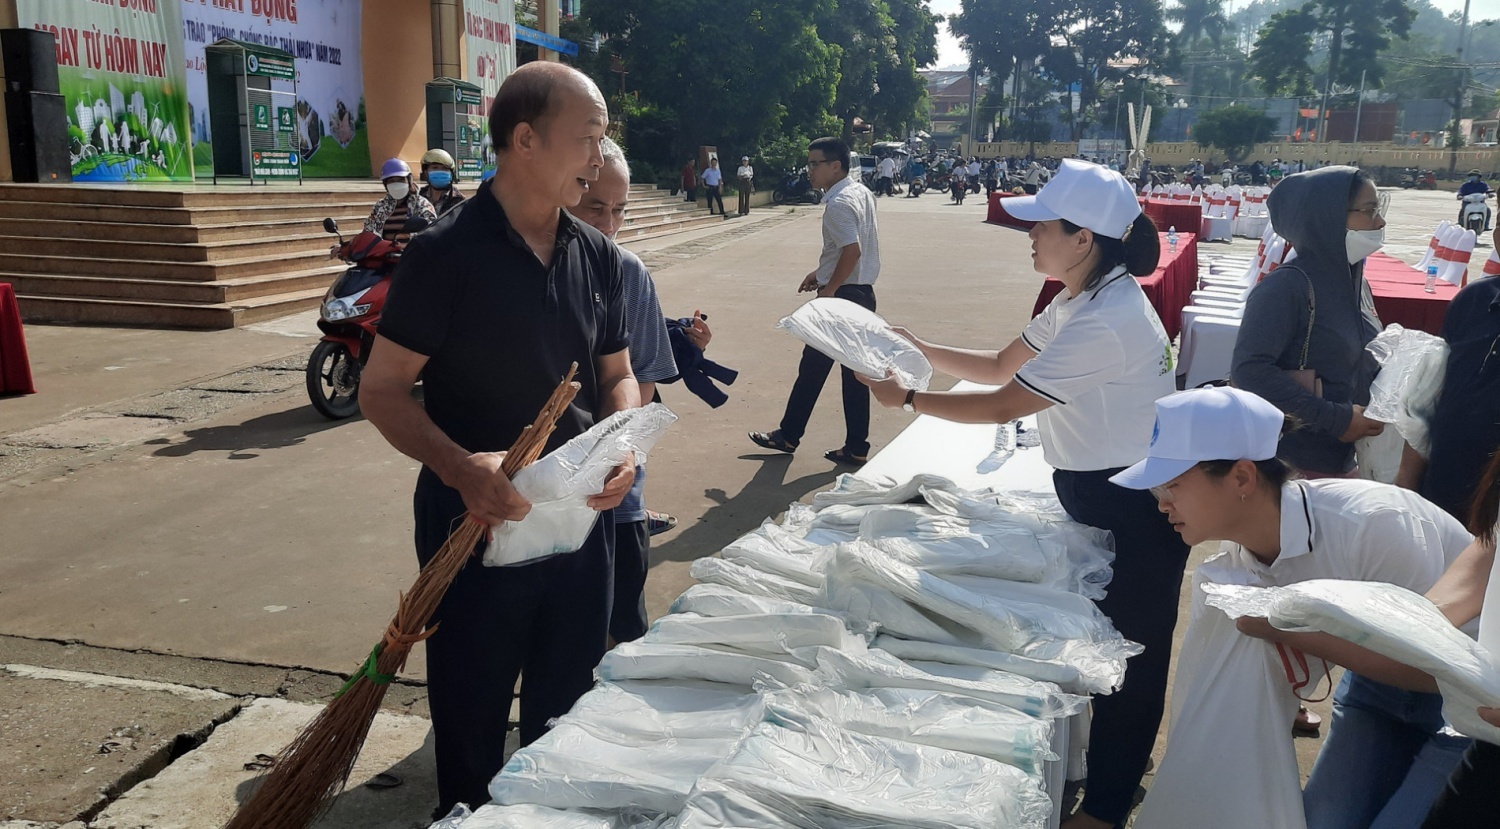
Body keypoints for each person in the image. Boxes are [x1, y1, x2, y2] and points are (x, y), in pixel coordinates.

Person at [858, 159, 1183, 829]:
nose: (1029, 236)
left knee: (1132, 659)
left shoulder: (1106, 317)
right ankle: (1115, 772)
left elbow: (1006, 401)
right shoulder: (1079, 300)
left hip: (1134, 510)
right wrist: (922, 349)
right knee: (1109, 644)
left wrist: (909, 399)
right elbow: (1005, 362)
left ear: (1084, 237)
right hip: (1104, 497)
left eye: (1041, 226)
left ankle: (1107, 807)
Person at [358, 62, 639, 817]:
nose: (595, 158)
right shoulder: (446, 255)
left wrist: (624, 444)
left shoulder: (597, 255)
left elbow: (618, 375)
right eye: (586, 139)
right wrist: (458, 465)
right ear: (524, 139)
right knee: (473, 716)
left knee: (567, 708)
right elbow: (380, 392)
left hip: (579, 523)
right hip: (474, 524)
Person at [1113, 386, 1474, 829]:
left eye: (1171, 485)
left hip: (1470, 707)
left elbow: (1441, 672)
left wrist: (1283, 629)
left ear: (1243, 478)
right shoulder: (1239, 563)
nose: (1163, 504)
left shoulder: (1376, 525)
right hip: (1375, 694)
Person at [571, 136, 679, 645]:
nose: (609, 226)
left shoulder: (628, 273)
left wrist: (614, 452)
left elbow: (645, 377)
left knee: (621, 629)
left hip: (617, 486)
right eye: (595, 206)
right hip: (542, 490)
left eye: (620, 210)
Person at [1231, 166, 1385, 478]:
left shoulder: (1354, 282)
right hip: (1291, 465)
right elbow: (1249, 371)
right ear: (1326, 217)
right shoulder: (1287, 288)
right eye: (1369, 211)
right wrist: (1335, 419)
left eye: (1378, 209)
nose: (1379, 222)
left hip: (1340, 461)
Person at [749, 136, 881, 466]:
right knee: (843, 372)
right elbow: (849, 250)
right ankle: (851, 445)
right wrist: (821, 273)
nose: (809, 170)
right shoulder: (861, 192)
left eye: (815, 164)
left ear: (835, 166)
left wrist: (830, 288)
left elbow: (853, 251)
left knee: (819, 369)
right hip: (861, 294)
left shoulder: (838, 204)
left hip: (843, 298)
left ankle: (793, 435)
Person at [362, 158, 437, 244]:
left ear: (409, 181)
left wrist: (407, 238)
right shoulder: (380, 206)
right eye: (391, 181)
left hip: (411, 254)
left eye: (400, 180)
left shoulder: (422, 204)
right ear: (385, 184)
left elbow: (432, 232)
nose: (396, 184)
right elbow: (368, 231)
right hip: (382, 254)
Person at [419, 148, 467, 216]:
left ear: (451, 173)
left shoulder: (460, 201)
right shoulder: (418, 197)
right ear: (426, 172)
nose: (440, 171)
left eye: (444, 168)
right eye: (435, 168)